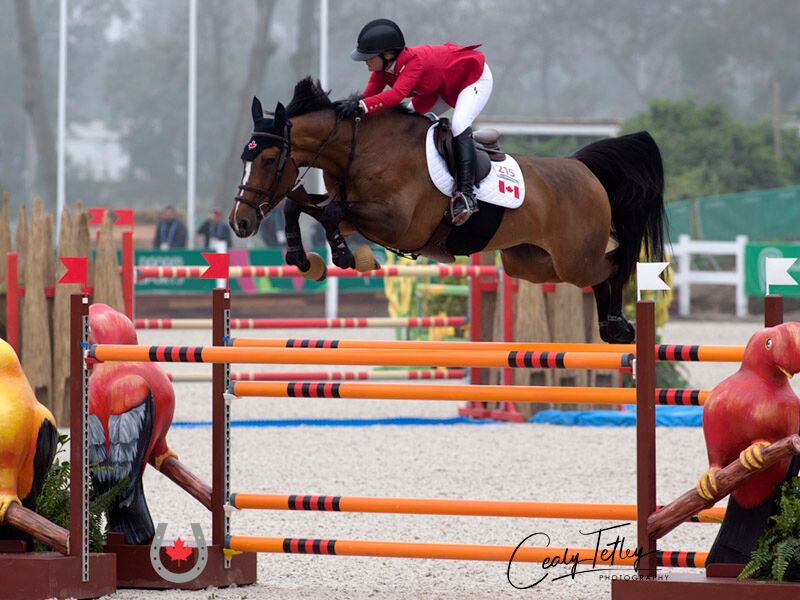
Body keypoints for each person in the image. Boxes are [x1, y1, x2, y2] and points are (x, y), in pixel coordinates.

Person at [335, 18, 493, 226]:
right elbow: (368, 97)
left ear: (388, 54)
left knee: (459, 123)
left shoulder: (414, 62)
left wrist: (361, 106)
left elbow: (396, 95)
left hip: (473, 79)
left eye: (368, 57)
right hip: (439, 87)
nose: (366, 62)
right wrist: (351, 105)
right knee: (407, 121)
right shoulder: (382, 70)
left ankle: (466, 194)